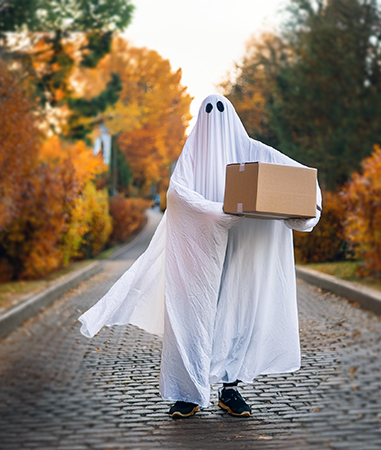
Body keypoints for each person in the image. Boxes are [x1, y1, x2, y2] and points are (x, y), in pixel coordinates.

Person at [78, 94, 321, 418]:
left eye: (221, 110)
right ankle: (187, 393)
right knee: (191, 318)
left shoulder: (254, 152)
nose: (215, 117)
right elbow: (178, 194)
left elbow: (297, 181)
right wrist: (219, 214)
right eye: (208, 110)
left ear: (232, 117)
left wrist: (305, 204)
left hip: (242, 255)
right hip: (200, 256)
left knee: (237, 315)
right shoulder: (191, 157)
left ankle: (229, 389)